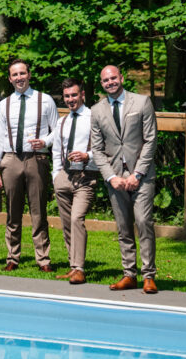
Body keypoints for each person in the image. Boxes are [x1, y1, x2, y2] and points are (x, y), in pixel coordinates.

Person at [90, 65, 158, 293]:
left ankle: (148, 275)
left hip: (142, 175)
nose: (110, 82)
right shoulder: (97, 110)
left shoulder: (142, 102)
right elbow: (97, 149)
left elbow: (150, 140)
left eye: (113, 78)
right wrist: (110, 177)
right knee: (123, 227)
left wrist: (138, 173)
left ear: (121, 77)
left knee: (143, 222)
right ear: (102, 84)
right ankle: (129, 274)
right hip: (116, 178)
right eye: (105, 80)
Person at [0, 59, 58, 273]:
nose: (19, 78)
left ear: (29, 75)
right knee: (12, 211)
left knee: (39, 211)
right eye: (15, 75)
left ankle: (43, 259)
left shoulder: (45, 100)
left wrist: (45, 142)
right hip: (11, 159)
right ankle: (12, 257)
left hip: (37, 159)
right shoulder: (5, 104)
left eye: (22, 73)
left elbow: (58, 131)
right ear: (10, 79)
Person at [51, 78, 96, 285]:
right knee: (67, 222)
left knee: (77, 219)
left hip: (86, 176)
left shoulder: (94, 118)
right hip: (64, 176)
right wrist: (56, 176)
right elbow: (56, 150)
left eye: (74, 95)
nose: (70, 99)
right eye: (67, 96)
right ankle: (73, 266)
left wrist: (88, 155)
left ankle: (80, 268)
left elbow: (105, 148)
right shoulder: (62, 121)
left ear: (82, 95)